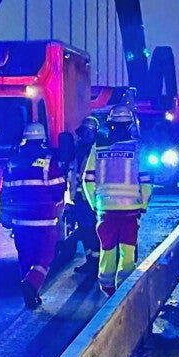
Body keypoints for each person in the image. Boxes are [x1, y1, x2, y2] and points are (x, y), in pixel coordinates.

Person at [81, 102, 154, 296]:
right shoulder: (138, 149)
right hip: (131, 210)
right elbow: (146, 180)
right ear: (131, 125)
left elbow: (87, 180)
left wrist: (95, 204)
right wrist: (143, 203)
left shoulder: (97, 149)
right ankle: (124, 291)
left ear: (110, 124)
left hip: (105, 209)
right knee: (127, 250)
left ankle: (106, 286)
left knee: (107, 248)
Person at [2, 122, 68, 309]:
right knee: (44, 256)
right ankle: (31, 285)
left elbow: (5, 191)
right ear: (42, 138)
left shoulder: (13, 160)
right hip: (44, 219)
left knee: (26, 256)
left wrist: (6, 214)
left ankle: (31, 296)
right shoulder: (48, 160)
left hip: (20, 220)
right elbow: (58, 188)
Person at [67, 114, 101, 267]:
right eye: (84, 132)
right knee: (84, 230)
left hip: (94, 197)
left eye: (90, 132)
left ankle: (97, 262)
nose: (86, 135)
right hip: (79, 197)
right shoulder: (77, 150)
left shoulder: (100, 150)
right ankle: (90, 261)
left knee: (95, 230)